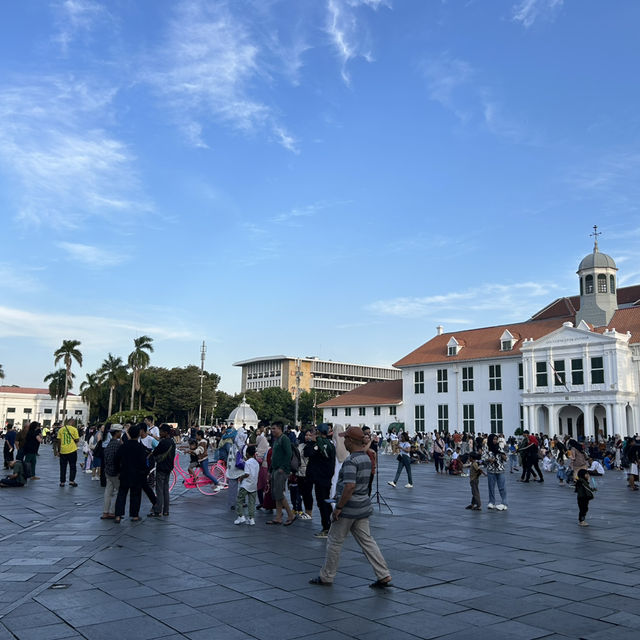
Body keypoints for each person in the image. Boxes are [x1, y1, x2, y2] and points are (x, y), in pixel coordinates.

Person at [309, 427, 392, 589]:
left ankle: (327, 576)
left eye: (345, 439)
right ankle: (383, 574)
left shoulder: (351, 461)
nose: (344, 441)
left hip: (348, 508)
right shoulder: (366, 458)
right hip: (362, 507)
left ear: (352, 441)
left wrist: (339, 507)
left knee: (334, 541)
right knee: (368, 542)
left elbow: (350, 486)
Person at [304, 423, 336, 537]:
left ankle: (327, 527)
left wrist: (312, 442)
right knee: (325, 502)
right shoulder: (331, 444)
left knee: (322, 502)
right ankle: (331, 525)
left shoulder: (319, 444)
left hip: (319, 477)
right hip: (326, 477)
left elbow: (307, 453)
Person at [114, 424, 149, 522]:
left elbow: (116, 459)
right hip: (137, 474)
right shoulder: (141, 447)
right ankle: (134, 515)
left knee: (122, 494)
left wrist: (118, 470)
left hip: (124, 472)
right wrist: (145, 472)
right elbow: (143, 462)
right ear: (138, 434)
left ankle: (118, 515)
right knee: (136, 494)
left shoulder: (123, 446)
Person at [266, 419, 296, 526]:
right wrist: (270, 471)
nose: (272, 431)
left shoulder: (284, 439)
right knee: (276, 494)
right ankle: (278, 517)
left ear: (280, 428)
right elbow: (274, 457)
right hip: (275, 469)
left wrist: (283, 468)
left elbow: (288, 454)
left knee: (279, 494)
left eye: (274, 428)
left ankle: (290, 514)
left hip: (281, 470)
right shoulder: (277, 440)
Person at [148, 424, 176, 517]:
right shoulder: (172, 442)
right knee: (165, 489)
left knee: (159, 489)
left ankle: (158, 510)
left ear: (166, 432)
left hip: (161, 467)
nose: (160, 433)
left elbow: (155, 452)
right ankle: (166, 510)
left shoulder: (163, 442)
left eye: (161, 431)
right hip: (169, 468)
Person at [102, 424, 123, 519]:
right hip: (115, 472)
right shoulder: (117, 444)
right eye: (120, 432)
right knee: (119, 491)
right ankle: (113, 511)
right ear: (117, 433)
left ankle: (105, 512)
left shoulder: (109, 444)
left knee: (108, 491)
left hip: (107, 471)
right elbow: (119, 459)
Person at [234, 445, 259, 526]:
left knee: (239, 500)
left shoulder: (247, 463)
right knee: (252, 502)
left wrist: (241, 477)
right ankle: (251, 519)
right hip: (254, 485)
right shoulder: (256, 463)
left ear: (247, 453)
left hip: (246, 484)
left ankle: (241, 516)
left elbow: (247, 474)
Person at [482, 434, 508, 511]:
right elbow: (483, 457)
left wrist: (503, 456)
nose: (495, 441)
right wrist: (488, 459)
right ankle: (491, 502)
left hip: (500, 469)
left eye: (496, 439)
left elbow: (505, 458)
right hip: (491, 470)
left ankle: (504, 503)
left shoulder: (499, 447)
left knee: (502, 487)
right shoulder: (487, 448)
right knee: (491, 487)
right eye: (493, 439)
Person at [57, 422, 79, 487]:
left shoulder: (61, 430)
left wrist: (59, 450)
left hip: (63, 451)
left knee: (63, 467)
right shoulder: (74, 429)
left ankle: (62, 482)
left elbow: (59, 441)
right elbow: (77, 439)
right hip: (72, 450)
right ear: (72, 424)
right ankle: (71, 481)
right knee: (73, 466)